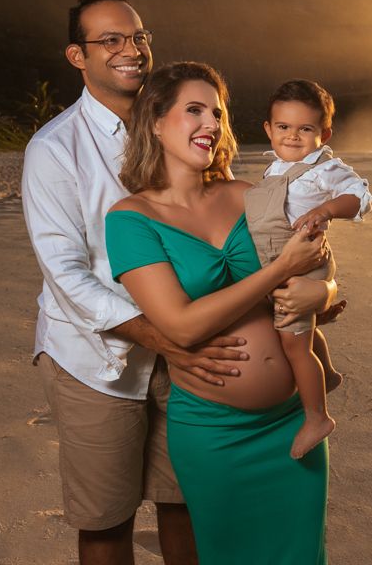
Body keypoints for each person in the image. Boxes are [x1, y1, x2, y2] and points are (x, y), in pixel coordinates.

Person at [22, 0, 339, 565]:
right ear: (78, 55)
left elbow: (290, 256)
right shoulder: (54, 148)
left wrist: (319, 293)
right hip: (100, 358)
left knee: (182, 506)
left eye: (139, 36)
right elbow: (65, 273)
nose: (130, 49)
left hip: (196, 368)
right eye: (110, 40)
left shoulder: (191, 135)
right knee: (106, 518)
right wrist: (169, 339)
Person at [105, 62, 336, 565]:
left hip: (292, 424)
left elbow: (312, 263)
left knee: (302, 557)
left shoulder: (247, 195)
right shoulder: (130, 220)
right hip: (214, 433)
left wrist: (324, 291)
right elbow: (180, 325)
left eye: (217, 112)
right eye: (194, 110)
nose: (211, 123)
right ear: (155, 122)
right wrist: (278, 275)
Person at [247, 79, 372, 458]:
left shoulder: (325, 168)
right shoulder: (273, 169)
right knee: (299, 332)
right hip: (276, 263)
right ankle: (328, 374)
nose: (293, 136)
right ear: (269, 129)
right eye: (283, 127)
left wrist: (326, 209)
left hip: (304, 267)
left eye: (306, 129)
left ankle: (317, 415)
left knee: (293, 342)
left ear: (323, 134)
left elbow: (360, 197)